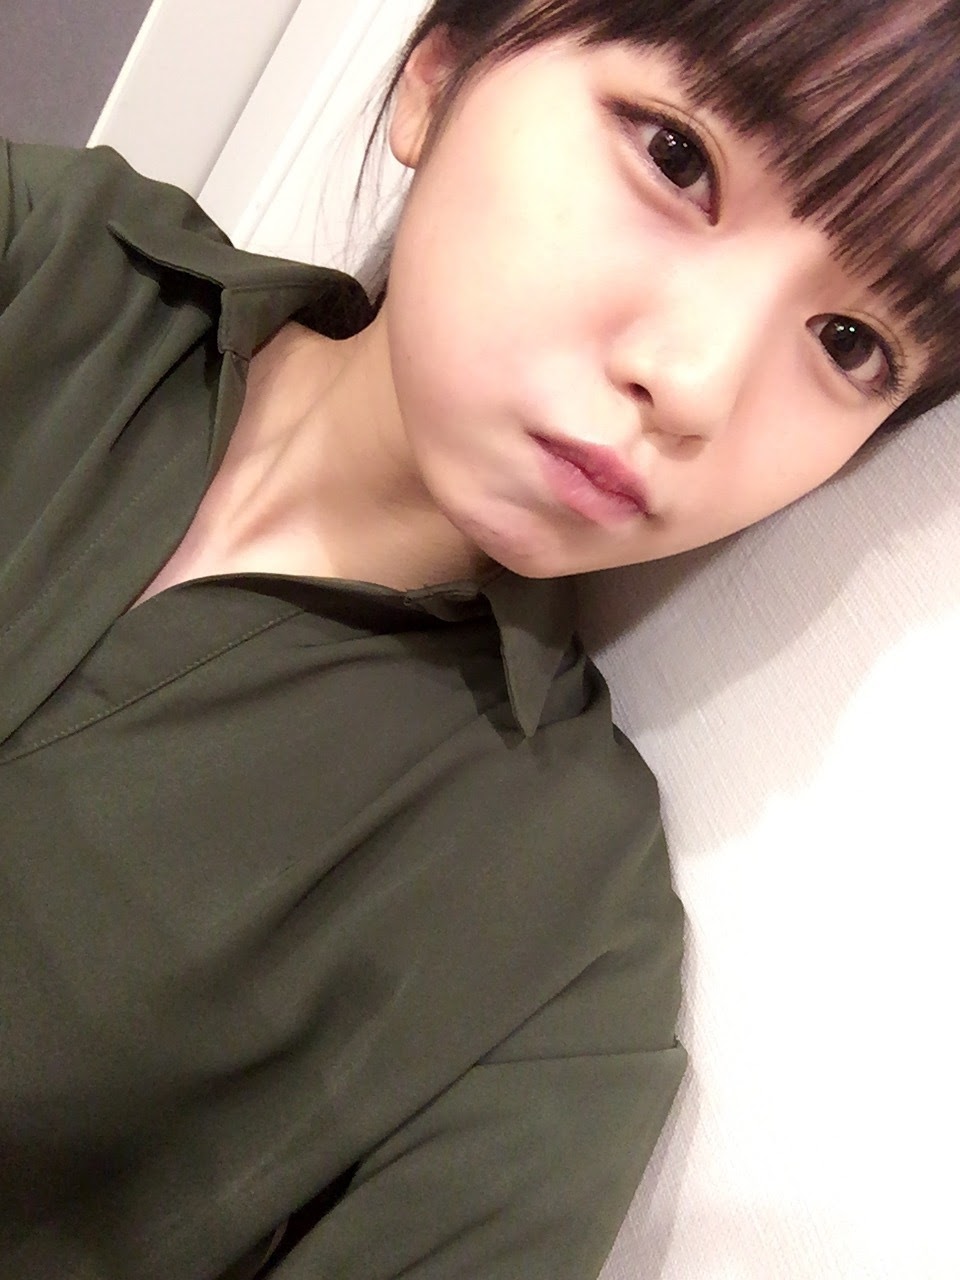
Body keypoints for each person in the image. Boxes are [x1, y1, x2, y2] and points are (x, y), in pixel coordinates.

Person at [2, 1, 959, 1277]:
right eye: (676, 157)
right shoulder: (43, 251)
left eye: (852, 344)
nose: (697, 381)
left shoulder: (555, 962)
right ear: (437, 75)